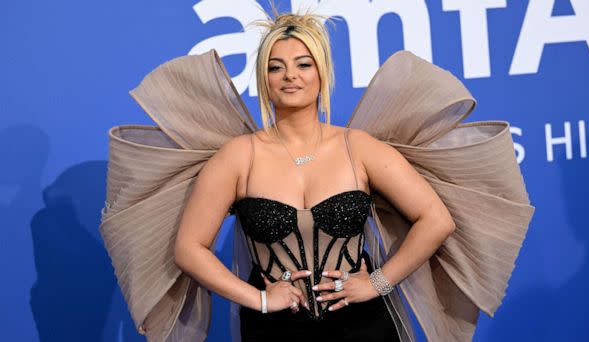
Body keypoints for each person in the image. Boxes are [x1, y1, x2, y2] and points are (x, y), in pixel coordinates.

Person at [100, 9, 534, 342]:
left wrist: (377, 282)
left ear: (322, 73)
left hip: (365, 326)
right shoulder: (238, 156)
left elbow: (436, 219)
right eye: (276, 66)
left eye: (303, 64)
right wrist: (261, 300)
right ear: (264, 79)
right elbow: (188, 249)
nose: (290, 76)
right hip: (272, 331)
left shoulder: (357, 147)